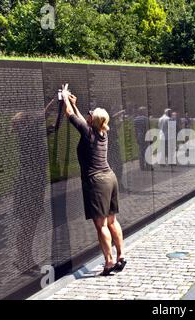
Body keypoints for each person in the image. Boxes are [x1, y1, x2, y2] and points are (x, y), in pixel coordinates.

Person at [61, 84, 125, 276]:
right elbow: (83, 121)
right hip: (110, 178)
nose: (87, 115)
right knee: (112, 221)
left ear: (93, 120)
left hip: (97, 182)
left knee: (101, 225)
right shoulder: (101, 132)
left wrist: (65, 97)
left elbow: (70, 115)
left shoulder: (88, 132)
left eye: (90, 114)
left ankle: (108, 261)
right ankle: (121, 256)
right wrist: (76, 104)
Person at [134, 106, 151, 171]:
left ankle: (142, 166)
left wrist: (136, 137)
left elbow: (135, 130)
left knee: (141, 151)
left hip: (139, 136)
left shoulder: (135, 119)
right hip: (145, 136)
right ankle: (148, 165)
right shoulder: (146, 119)